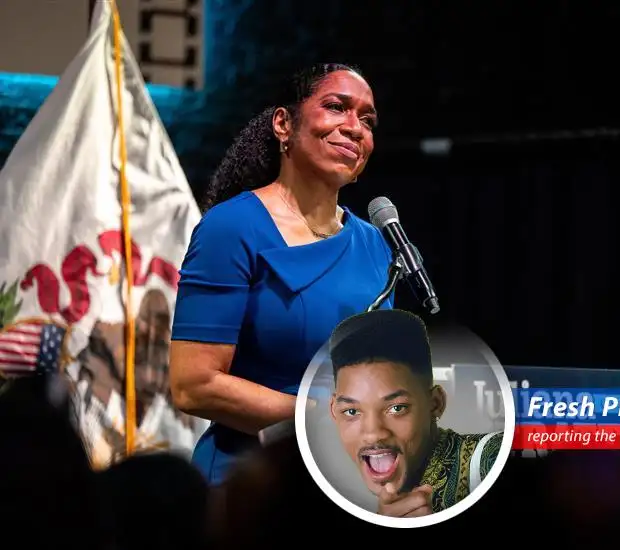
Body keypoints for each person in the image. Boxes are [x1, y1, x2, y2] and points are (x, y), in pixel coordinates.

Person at [169, 63, 395, 484]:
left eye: (367, 120)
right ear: (283, 124)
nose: (355, 127)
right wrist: (322, 423)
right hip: (250, 486)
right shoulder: (233, 227)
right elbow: (193, 384)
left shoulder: (378, 246)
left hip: (347, 486)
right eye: (336, 107)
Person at [328, 309, 503, 517]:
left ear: (436, 403)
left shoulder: (492, 458)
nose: (373, 434)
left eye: (397, 408)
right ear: (334, 412)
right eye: (352, 411)